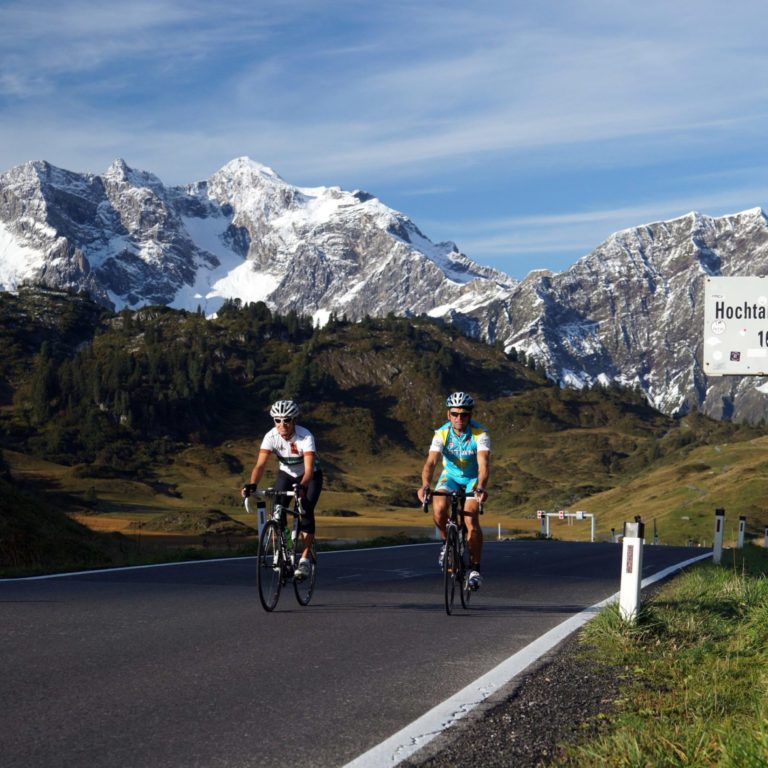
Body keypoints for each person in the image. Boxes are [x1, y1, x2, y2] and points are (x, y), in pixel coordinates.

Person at [417, 392, 490, 590]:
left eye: (464, 414)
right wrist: (425, 485)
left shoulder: (480, 434)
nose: (459, 418)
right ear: (448, 414)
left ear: (470, 415)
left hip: (472, 480)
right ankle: (445, 543)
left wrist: (481, 487)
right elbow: (431, 462)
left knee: (470, 518)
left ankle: (475, 568)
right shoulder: (441, 433)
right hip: (449, 477)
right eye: (455, 414)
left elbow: (483, 465)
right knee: (439, 507)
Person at [242, 399, 322, 580]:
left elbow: (309, 469)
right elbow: (260, 465)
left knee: (306, 510)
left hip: (310, 477)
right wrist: (252, 485)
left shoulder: (305, 436)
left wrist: (302, 486)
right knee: (278, 512)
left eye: (286, 420)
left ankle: (304, 559)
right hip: (285, 474)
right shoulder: (271, 436)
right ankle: (285, 549)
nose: (282, 424)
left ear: (294, 420)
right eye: (277, 420)